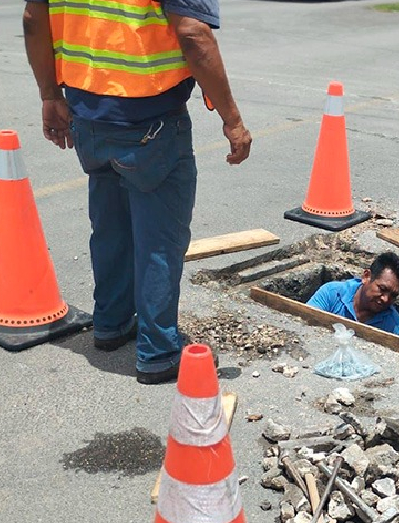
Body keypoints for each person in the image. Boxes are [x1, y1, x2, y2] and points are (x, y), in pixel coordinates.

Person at [22, 0, 251, 384]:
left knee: (110, 229)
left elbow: (33, 19)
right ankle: (159, 352)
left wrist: (50, 94)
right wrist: (233, 120)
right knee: (160, 241)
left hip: (88, 119)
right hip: (151, 124)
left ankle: (110, 324)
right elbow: (194, 34)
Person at [307, 252, 399, 338]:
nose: (385, 299)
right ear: (366, 277)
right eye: (382, 289)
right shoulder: (332, 293)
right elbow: (304, 323)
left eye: (393, 295)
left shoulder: (397, 329)